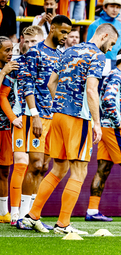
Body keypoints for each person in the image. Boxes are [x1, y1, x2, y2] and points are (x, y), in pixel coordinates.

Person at [22, 23, 118, 234]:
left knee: (59, 168)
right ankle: (63, 223)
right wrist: (97, 123)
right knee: (79, 170)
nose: (110, 48)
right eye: (111, 43)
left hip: (57, 115)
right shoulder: (97, 56)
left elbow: (50, 83)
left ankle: (32, 215)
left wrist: (62, 104)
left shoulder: (68, 50)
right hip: (78, 118)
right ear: (103, 36)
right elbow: (92, 91)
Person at [14, 15, 72, 230]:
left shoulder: (62, 55)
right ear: (53, 29)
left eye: (68, 33)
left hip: (54, 116)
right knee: (35, 164)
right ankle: (21, 216)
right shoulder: (35, 52)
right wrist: (34, 113)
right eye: (63, 32)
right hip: (36, 116)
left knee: (45, 166)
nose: (66, 37)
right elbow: (26, 84)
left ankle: (32, 216)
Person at [85, 47, 121, 222]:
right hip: (114, 128)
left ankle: (92, 211)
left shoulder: (113, 75)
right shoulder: (117, 76)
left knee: (103, 169)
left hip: (106, 126)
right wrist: (119, 122)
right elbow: (109, 100)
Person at [0, 26, 44, 229]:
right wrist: (13, 117)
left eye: (34, 42)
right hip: (20, 119)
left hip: (43, 119)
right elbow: (2, 95)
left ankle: (31, 213)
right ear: (22, 43)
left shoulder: (49, 63)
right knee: (20, 163)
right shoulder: (16, 66)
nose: (30, 45)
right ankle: (15, 213)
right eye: (27, 42)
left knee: (39, 166)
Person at [0, 36, 19, 223]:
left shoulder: (13, 69)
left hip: (5, 127)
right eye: (6, 50)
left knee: (4, 171)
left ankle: (3, 211)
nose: (10, 53)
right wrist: (3, 72)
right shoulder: (6, 70)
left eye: (11, 49)